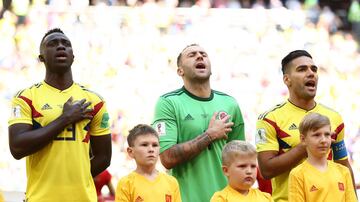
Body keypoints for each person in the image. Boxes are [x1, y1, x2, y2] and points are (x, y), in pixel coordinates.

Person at [8, 28, 112, 202]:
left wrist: (75, 179)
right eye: (53, 44)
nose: (61, 47)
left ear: (73, 56)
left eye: (66, 44)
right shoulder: (26, 98)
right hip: (40, 198)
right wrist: (65, 118)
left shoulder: (95, 100)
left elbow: (104, 157)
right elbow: (17, 148)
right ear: (41, 58)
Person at [256, 50, 355, 202]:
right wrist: (306, 146)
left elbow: (343, 164)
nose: (311, 73)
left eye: (314, 69)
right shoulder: (270, 118)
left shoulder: (334, 118)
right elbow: (266, 170)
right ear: (287, 79)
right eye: (302, 69)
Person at [152, 44, 245, 202]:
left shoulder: (230, 104)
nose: (200, 56)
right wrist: (209, 135)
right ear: (180, 71)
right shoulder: (168, 102)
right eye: (192, 55)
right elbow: (167, 158)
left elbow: (241, 159)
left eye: (203, 54)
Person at [289, 113, 357, 202]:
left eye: (327, 134)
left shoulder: (343, 171)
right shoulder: (297, 174)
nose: (323, 140)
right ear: (303, 139)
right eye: (317, 135)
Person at [115, 124, 181, 202]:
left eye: (155, 145)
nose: (151, 149)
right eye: (144, 145)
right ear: (130, 151)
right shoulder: (126, 184)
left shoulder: (171, 182)